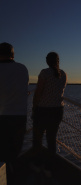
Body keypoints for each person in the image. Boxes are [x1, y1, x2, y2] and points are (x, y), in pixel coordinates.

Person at [32, 52, 67, 170]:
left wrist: (34, 107)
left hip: (43, 111)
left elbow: (38, 92)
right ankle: (50, 167)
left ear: (47, 61)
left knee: (38, 138)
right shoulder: (63, 74)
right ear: (58, 61)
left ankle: (37, 164)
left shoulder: (44, 72)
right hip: (57, 111)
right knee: (51, 139)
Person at [0, 42, 29, 184]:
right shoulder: (22, 68)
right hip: (19, 117)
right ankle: (14, 177)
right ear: (13, 54)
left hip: (2, 117)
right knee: (15, 152)